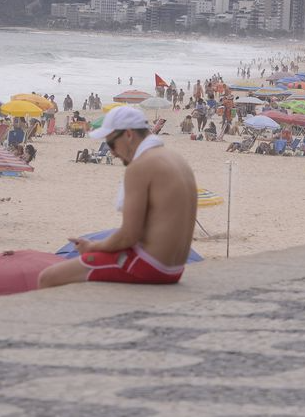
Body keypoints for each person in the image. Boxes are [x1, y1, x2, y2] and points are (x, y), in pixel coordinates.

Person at [38, 106, 197, 288]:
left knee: (48, 277)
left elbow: (129, 236)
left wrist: (91, 247)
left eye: (111, 144)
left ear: (128, 134)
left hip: (149, 266)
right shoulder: (176, 159)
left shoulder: (140, 166)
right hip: (175, 269)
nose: (112, 152)